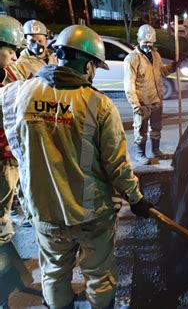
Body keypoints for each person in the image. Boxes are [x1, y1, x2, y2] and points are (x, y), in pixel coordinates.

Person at [0, 25, 155, 308]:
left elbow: (13, 145)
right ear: (86, 64)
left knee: (54, 274)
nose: (94, 72)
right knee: (99, 276)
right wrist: (135, 198)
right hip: (91, 213)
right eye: (94, 65)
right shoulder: (98, 104)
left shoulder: (18, 94)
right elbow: (117, 165)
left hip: (44, 212)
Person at [124, 24, 177, 165]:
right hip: (142, 103)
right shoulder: (132, 59)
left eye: (150, 42)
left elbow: (162, 72)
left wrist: (172, 67)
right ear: (139, 40)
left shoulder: (155, 55)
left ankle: (155, 150)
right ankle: (140, 154)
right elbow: (129, 85)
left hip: (157, 100)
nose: (148, 45)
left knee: (156, 127)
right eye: (145, 42)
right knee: (141, 130)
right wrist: (135, 105)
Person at [0, 15, 24, 245]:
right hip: (2, 156)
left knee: (7, 202)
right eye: (11, 50)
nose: (15, 56)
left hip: (12, 154)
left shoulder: (11, 74)